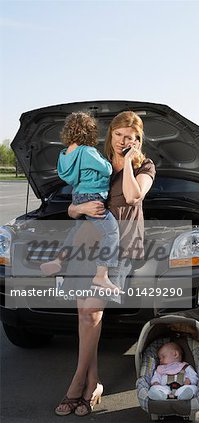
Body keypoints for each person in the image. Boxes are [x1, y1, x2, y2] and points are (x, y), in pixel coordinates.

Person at [55, 111, 155, 416]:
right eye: (119, 135)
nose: (125, 141)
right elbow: (73, 208)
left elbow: (132, 196)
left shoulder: (145, 166)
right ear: (110, 135)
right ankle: (94, 381)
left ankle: (76, 383)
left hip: (120, 245)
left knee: (93, 312)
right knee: (85, 316)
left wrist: (127, 163)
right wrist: (79, 206)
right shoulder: (93, 160)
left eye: (132, 137)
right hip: (87, 241)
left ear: (139, 140)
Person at [40, 111, 120, 293]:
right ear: (89, 131)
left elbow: (66, 176)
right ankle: (101, 276)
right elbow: (107, 170)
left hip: (77, 196)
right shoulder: (87, 151)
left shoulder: (64, 155)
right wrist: (107, 161)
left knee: (76, 232)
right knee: (111, 232)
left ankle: (58, 260)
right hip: (93, 197)